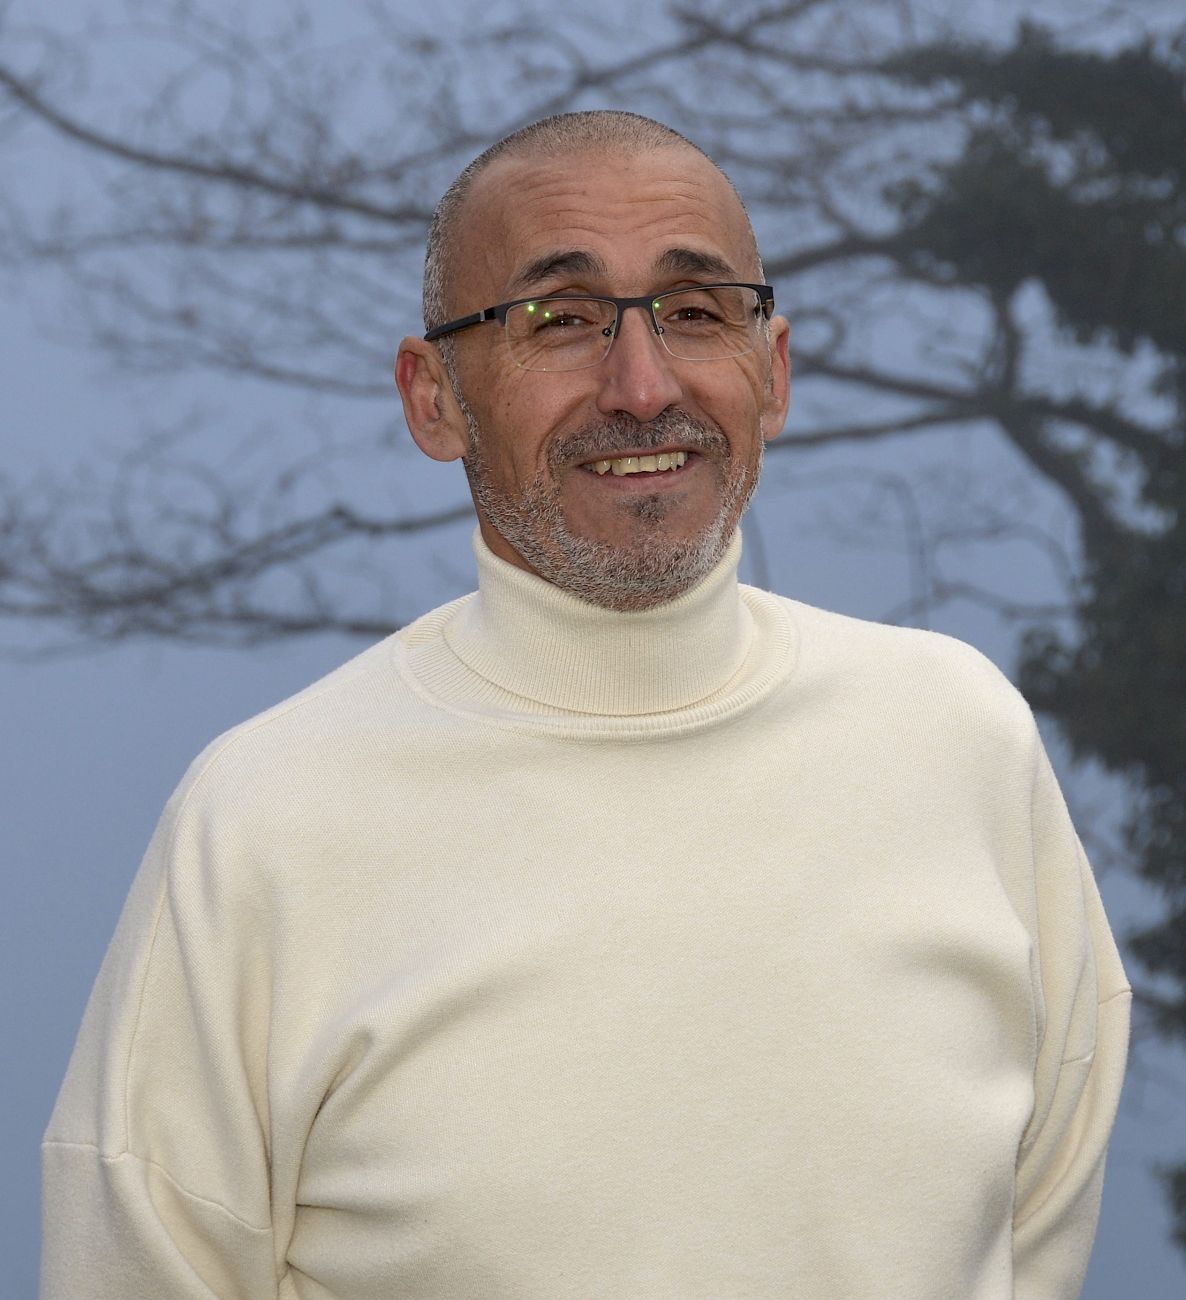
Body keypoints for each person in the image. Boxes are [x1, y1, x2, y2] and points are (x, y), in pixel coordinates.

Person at [41, 110, 1130, 1299]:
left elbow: (1036, 1237)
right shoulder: (265, 818)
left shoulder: (954, 738)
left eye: (696, 311)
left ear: (773, 372)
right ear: (433, 397)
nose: (641, 385)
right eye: (558, 321)